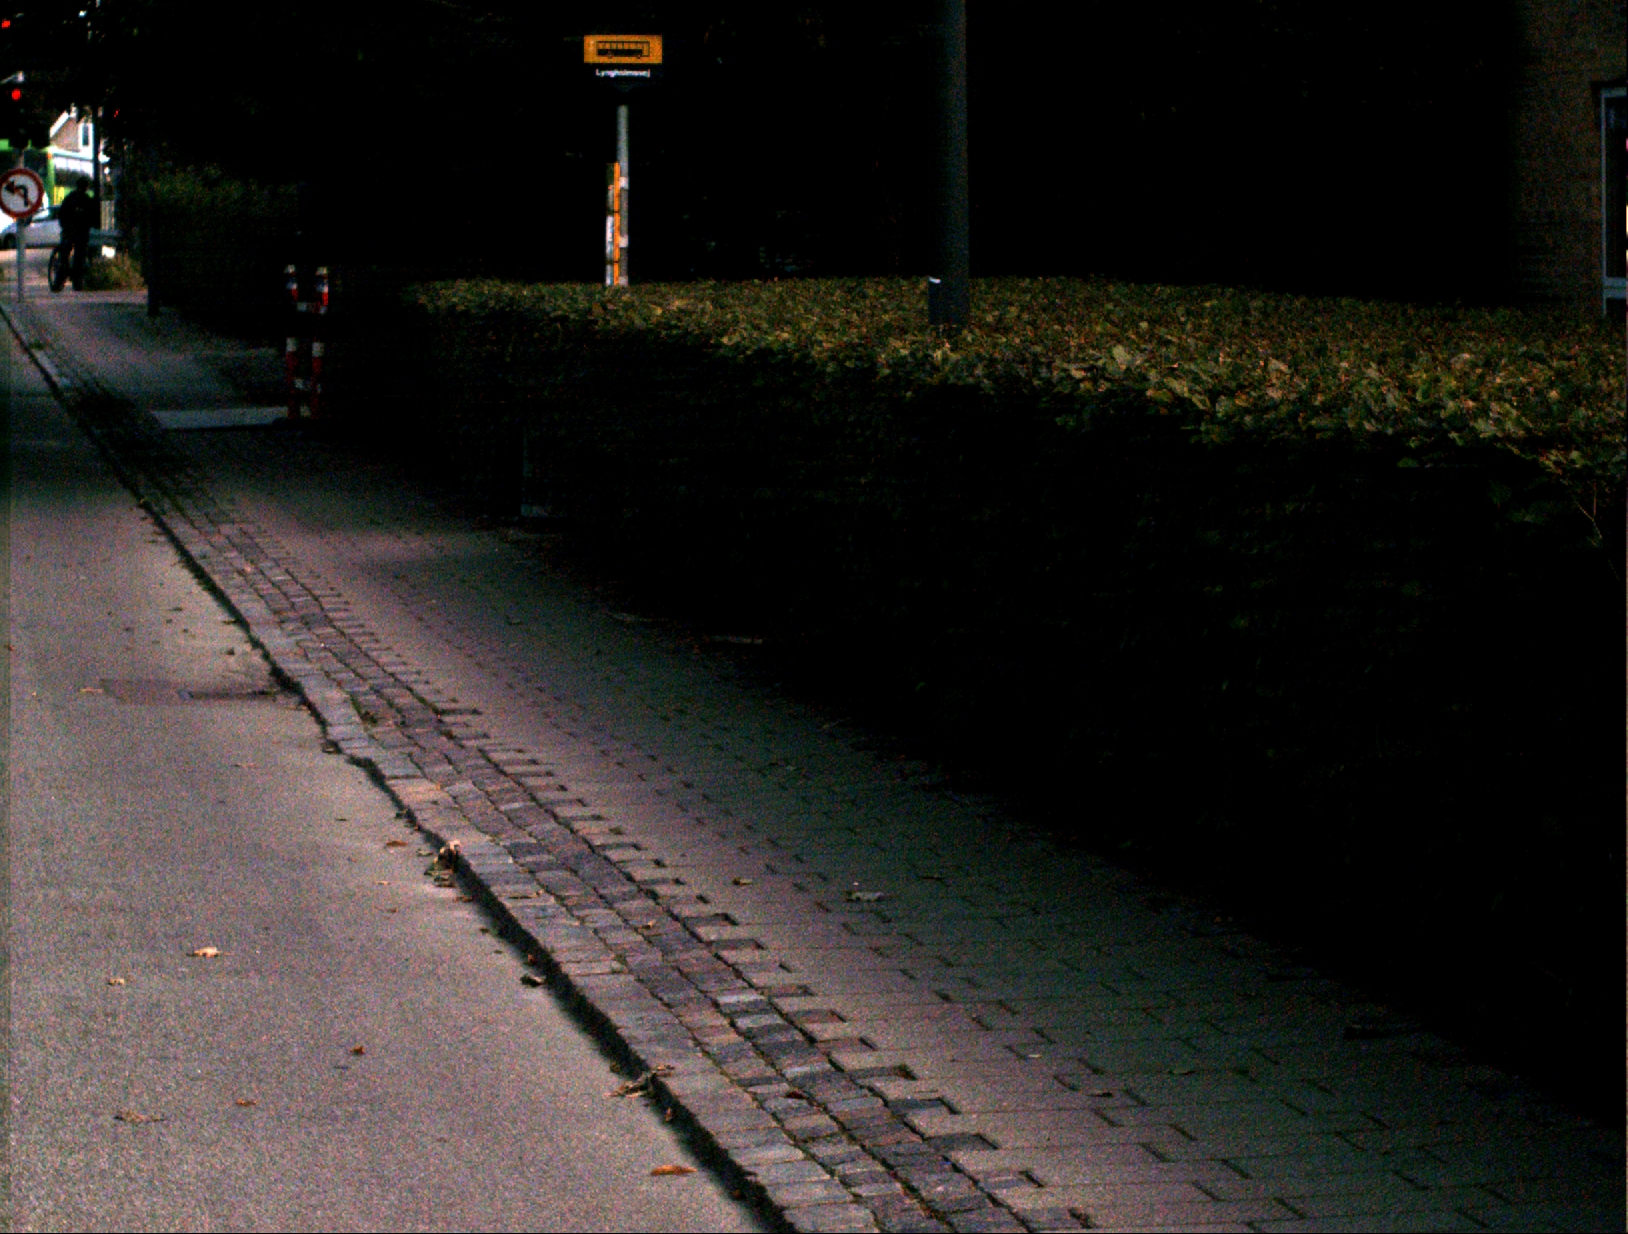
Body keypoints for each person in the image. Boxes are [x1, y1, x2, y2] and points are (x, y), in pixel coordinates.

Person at [54, 175, 97, 291]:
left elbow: (62, 214)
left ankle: (59, 280)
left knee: (65, 253)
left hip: (70, 230)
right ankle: (76, 280)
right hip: (80, 232)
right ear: (86, 187)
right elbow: (91, 217)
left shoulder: (70, 197)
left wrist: (64, 226)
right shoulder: (87, 200)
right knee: (79, 254)